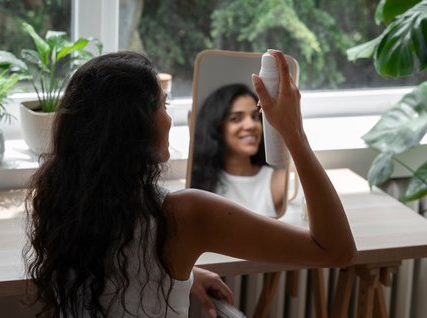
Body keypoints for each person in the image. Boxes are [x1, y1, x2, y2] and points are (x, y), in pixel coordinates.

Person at [24, 50, 357, 318]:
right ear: (136, 128)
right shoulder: (186, 214)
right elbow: (336, 250)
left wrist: (185, 274)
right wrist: (294, 134)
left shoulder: (60, 198)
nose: (169, 118)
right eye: (163, 105)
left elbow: (118, 272)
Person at [191, 83, 286, 217]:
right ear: (217, 128)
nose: (251, 125)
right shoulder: (198, 184)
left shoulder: (278, 181)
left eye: (255, 117)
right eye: (236, 118)